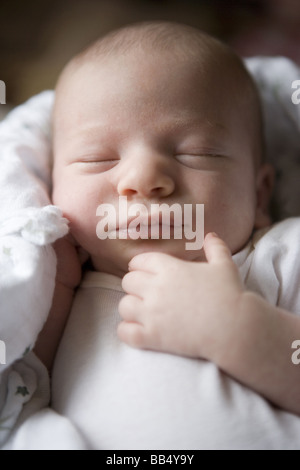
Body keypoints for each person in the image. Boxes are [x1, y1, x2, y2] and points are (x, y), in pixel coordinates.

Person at [31, 21, 300, 449]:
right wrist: (54, 295)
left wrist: (240, 329)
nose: (143, 178)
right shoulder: (52, 301)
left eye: (196, 153)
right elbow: (21, 398)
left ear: (259, 193)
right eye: (97, 158)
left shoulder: (281, 256)